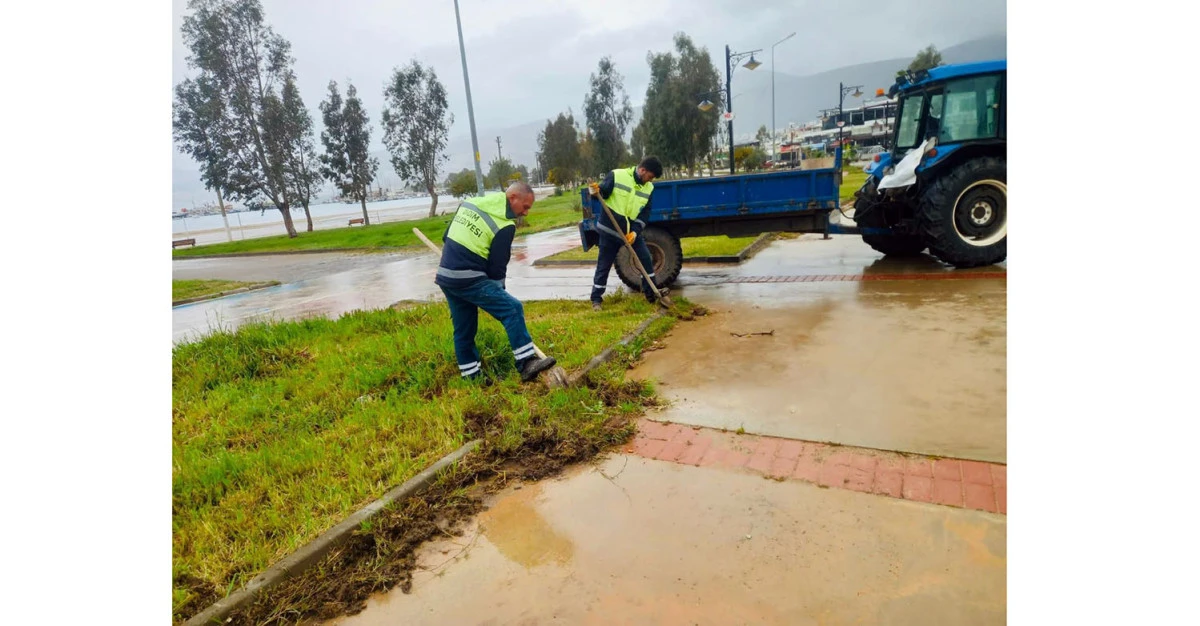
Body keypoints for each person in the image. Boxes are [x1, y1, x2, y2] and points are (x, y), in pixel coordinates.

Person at [435, 181, 556, 384]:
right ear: (512, 198)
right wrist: (498, 293)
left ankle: (472, 377)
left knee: (464, 329)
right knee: (512, 308)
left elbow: (446, 236)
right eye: (525, 207)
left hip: (447, 276)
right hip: (469, 277)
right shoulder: (505, 225)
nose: (525, 213)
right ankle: (526, 362)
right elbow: (497, 268)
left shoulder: (470, 203)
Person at [587, 156, 667, 311]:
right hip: (610, 230)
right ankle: (596, 300)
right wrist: (594, 191)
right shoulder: (617, 175)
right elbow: (602, 194)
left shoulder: (648, 188)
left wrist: (636, 232)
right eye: (649, 177)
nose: (650, 181)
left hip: (630, 232)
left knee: (646, 259)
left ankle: (652, 296)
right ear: (642, 170)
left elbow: (645, 214)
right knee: (604, 265)